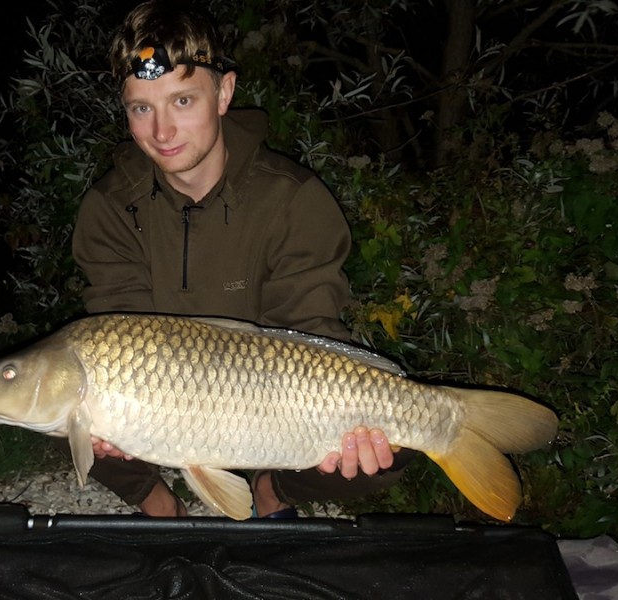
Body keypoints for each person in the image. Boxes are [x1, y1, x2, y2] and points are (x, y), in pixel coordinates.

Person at [71, 0, 413, 518]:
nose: (162, 132)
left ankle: (272, 491)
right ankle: (160, 505)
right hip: (157, 401)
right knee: (61, 404)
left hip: (268, 403)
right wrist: (111, 424)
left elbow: (309, 330)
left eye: (183, 100)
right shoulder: (109, 207)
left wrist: (338, 425)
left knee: (390, 448)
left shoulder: (293, 197)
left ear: (224, 93)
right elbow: (113, 333)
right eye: (142, 108)